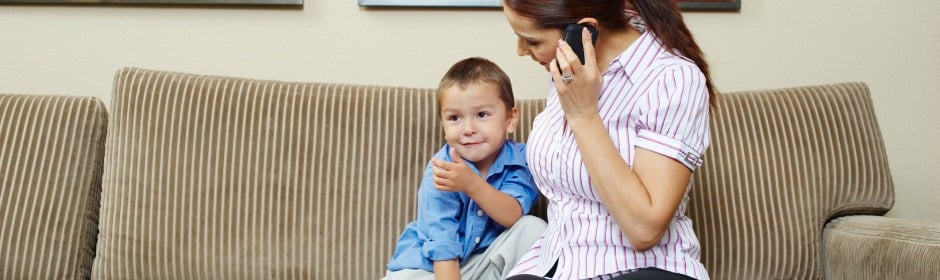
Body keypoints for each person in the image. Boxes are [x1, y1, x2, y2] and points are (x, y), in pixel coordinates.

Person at [501, 0, 718, 279]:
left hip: (644, 269)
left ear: (585, 30)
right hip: (555, 265)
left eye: (531, 41)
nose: (521, 51)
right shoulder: (571, 67)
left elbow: (644, 230)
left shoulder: (672, 79)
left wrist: (584, 115)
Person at [382, 57, 545, 280]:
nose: (468, 129)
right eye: (454, 118)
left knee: (533, 228)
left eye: (482, 115)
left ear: (510, 119)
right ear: (443, 124)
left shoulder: (521, 159)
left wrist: (472, 185)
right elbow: (443, 246)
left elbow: (512, 215)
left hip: (481, 263)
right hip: (431, 269)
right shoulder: (442, 169)